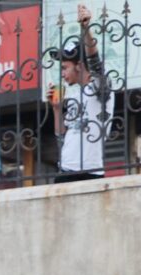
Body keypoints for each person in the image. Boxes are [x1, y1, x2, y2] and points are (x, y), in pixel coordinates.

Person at [48, 3, 114, 183]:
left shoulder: (102, 88)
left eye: (65, 67)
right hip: (64, 170)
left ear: (79, 65)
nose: (62, 73)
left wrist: (86, 28)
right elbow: (62, 137)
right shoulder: (74, 96)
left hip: (91, 173)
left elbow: (94, 61)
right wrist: (56, 109)